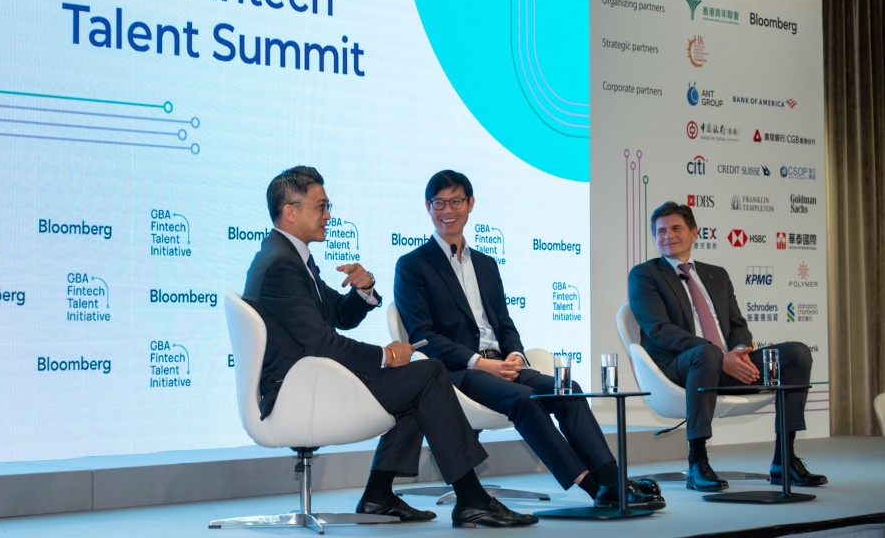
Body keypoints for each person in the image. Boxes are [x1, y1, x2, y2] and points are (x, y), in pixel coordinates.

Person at [243, 166, 537, 528]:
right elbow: (320, 342)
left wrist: (363, 291)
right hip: (297, 392)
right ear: (290, 210)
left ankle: (379, 496)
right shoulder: (281, 266)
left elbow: (337, 314)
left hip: (311, 381)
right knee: (429, 374)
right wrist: (384, 355)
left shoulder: (287, 257)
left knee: (420, 380)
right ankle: (471, 499)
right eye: (320, 206)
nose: (328, 215)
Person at [394, 169, 663, 510]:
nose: (448, 210)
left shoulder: (487, 264)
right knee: (525, 400)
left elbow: (504, 323)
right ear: (428, 207)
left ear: (471, 204)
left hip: (503, 365)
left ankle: (613, 478)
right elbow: (423, 337)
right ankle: (592, 486)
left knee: (569, 390)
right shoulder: (412, 265)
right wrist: (479, 363)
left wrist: (516, 355)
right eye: (439, 203)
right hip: (457, 372)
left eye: (456, 201)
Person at [628, 201, 827, 491]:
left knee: (797, 353)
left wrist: (738, 352)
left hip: (726, 363)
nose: (667, 235)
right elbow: (659, 331)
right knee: (706, 353)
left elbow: (737, 324)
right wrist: (720, 356)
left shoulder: (716, 274)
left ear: (694, 233)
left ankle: (784, 458)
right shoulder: (645, 275)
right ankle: (697, 462)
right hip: (680, 365)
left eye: (675, 228)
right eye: (660, 231)